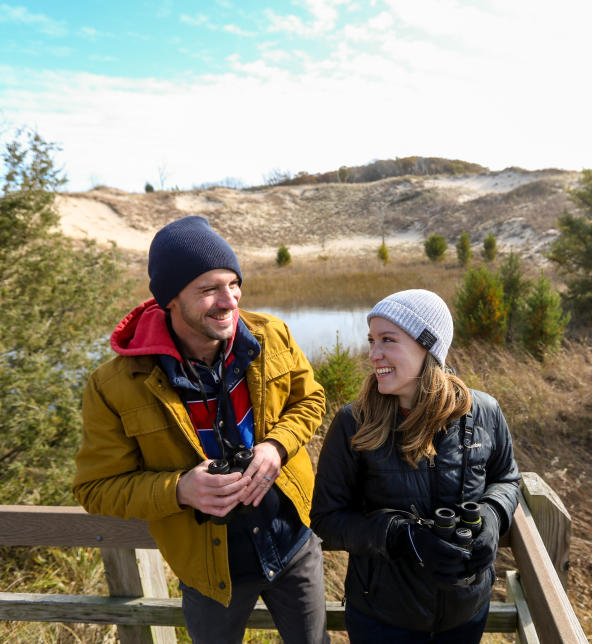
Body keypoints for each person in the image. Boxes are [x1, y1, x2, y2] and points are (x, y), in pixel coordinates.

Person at [73, 215, 329, 644]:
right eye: (208, 289)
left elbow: (311, 400)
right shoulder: (114, 385)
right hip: (209, 571)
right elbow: (95, 488)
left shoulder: (272, 335)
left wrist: (275, 447)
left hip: (293, 544)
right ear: (170, 299)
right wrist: (179, 489)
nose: (228, 301)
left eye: (233, 284)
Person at [310, 289, 521, 643]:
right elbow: (326, 520)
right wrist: (398, 535)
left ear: (428, 347)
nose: (373, 354)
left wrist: (492, 516)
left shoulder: (484, 412)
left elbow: (507, 479)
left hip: (466, 613)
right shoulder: (354, 422)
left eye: (388, 340)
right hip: (383, 618)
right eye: (372, 340)